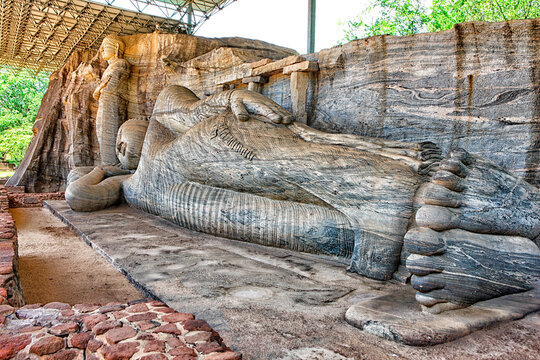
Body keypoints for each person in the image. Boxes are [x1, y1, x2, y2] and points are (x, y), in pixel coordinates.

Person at [67, 85, 540, 313]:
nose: (124, 150)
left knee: (311, 166)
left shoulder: (164, 122)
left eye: (126, 142)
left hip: (221, 143)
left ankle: (398, 202)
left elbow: (178, 101)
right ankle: (386, 239)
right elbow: (81, 195)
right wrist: (108, 168)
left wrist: (223, 100)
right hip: (190, 190)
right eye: (121, 150)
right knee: (285, 217)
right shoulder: (133, 184)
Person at [93, 35, 130, 165]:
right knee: (101, 134)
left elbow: (111, 85)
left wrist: (100, 89)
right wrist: (100, 90)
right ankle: (106, 163)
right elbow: (100, 88)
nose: (102, 51)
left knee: (110, 133)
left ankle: (112, 164)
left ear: (116, 47)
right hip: (105, 101)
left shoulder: (121, 63)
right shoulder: (110, 67)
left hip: (113, 101)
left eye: (105, 47)